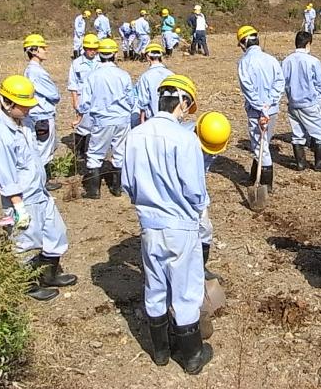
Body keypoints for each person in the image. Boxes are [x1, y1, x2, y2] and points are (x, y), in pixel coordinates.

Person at [121, 74, 213, 374]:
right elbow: (195, 191)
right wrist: (197, 211)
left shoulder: (134, 135)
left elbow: (127, 185)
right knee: (186, 291)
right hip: (180, 225)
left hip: (149, 224)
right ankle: (192, 356)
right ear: (182, 102)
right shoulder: (184, 138)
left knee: (155, 285)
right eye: (188, 106)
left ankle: (159, 352)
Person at [0, 75, 77, 302]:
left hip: (39, 192)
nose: (27, 109)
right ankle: (28, 285)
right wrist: (18, 208)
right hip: (22, 199)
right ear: (7, 103)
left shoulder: (22, 123)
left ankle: (49, 274)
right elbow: (4, 176)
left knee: (56, 232)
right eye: (23, 105)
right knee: (24, 243)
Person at [75, 38, 135, 199]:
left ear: (99, 54)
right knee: (120, 152)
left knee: (95, 153)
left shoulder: (93, 76)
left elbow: (85, 102)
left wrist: (80, 113)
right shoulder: (124, 75)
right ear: (115, 53)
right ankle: (117, 188)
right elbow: (131, 99)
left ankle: (93, 191)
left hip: (102, 120)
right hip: (122, 120)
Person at [237, 25, 284, 194]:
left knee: (261, 147)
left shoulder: (245, 62)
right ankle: (253, 176)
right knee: (262, 143)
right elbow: (279, 83)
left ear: (244, 43)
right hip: (272, 110)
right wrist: (270, 103)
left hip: (257, 111)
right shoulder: (271, 59)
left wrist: (261, 107)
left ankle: (265, 184)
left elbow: (247, 89)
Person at [191, 111, 232, 282]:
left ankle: (200, 269)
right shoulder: (183, 145)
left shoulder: (211, 138)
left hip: (197, 189)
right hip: (180, 193)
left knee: (205, 229)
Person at [282, 31, 321, 171]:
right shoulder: (313, 61)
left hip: (292, 103)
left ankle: (300, 163)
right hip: (308, 102)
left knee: (298, 134)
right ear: (308, 44)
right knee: (320, 134)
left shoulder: (286, 61)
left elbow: (282, 81)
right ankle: (319, 164)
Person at [23, 34, 61, 191]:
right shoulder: (37, 72)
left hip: (36, 115)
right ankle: (42, 182)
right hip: (43, 116)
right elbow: (54, 94)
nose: (46, 50)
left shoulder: (31, 71)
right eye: (43, 48)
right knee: (43, 150)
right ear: (34, 51)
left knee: (40, 147)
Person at [68, 33, 100, 166]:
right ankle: (79, 152)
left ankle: (93, 150)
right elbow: (73, 84)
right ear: (84, 48)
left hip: (98, 97)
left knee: (97, 125)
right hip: (83, 97)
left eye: (94, 49)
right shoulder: (76, 63)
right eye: (89, 49)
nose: (92, 52)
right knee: (82, 126)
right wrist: (75, 100)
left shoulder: (101, 62)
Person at [136, 42, 174, 124]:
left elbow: (143, 101)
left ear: (147, 57)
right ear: (161, 56)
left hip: (153, 119)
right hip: (171, 118)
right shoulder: (171, 74)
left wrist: (142, 120)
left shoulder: (145, 77)